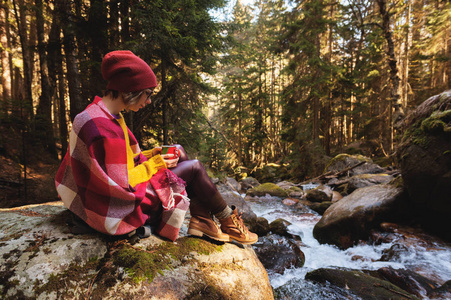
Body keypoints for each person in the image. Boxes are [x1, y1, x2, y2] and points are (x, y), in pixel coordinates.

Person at [55, 50, 257, 245]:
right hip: (114, 208)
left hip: (97, 197)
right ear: (131, 90)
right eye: (147, 94)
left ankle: (202, 220)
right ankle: (226, 220)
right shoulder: (105, 128)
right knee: (194, 167)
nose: (149, 101)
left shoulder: (97, 113)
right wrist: (154, 164)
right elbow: (123, 184)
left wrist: (151, 154)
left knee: (178, 149)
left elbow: (114, 165)